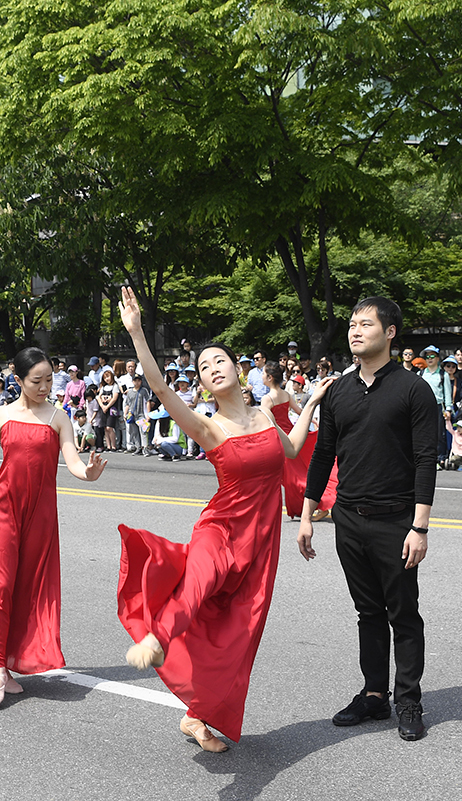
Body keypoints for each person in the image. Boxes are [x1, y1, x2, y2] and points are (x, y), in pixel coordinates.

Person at [117, 286, 328, 752]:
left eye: (220, 360)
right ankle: (157, 638)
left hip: (261, 539)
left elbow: (291, 452)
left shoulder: (264, 416)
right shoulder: (208, 426)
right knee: (198, 583)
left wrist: (308, 406)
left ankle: (196, 717)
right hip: (220, 526)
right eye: (204, 367)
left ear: (238, 368)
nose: (213, 368)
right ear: (204, 384)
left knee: (238, 634)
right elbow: (158, 387)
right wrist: (137, 334)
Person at [298, 296, 438, 743]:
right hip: (348, 520)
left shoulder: (414, 389)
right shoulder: (338, 391)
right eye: (353, 325)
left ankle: (409, 698)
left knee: (403, 613)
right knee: (367, 612)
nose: (355, 331)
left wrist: (420, 527)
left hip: (397, 521)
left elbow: (425, 460)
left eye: (365, 324)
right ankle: (375, 694)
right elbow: (323, 454)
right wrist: (306, 514)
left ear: (390, 332)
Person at [0, 347, 106, 708]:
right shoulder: (0, 414)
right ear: (19, 381)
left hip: (40, 517)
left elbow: (72, 460)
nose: (45, 387)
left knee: (28, 588)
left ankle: (9, 665)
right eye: (37, 381)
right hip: (3, 511)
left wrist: (87, 474)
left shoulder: (59, 418)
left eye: (49, 380)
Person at [260, 361, 318, 520]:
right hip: (291, 435)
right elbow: (300, 411)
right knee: (293, 474)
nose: (261, 376)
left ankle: (318, 502)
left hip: (278, 438)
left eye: (263, 374)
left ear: (270, 377)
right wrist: (312, 421)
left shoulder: (267, 398)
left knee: (291, 476)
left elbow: (265, 422)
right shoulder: (286, 395)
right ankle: (306, 505)